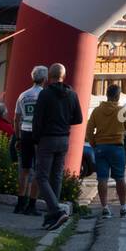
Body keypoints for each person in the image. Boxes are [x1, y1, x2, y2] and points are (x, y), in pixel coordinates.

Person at [31, 63, 83, 231]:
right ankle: (52, 216)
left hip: (47, 138)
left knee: (41, 177)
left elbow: (37, 120)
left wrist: (36, 139)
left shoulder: (45, 94)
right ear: (63, 76)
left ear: (49, 77)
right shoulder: (72, 94)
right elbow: (79, 119)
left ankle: (56, 211)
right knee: (56, 176)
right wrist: (64, 121)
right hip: (64, 139)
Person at [86, 85, 126, 218]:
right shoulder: (121, 111)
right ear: (117, 96)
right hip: (117, 147)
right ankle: (123, 207)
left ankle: (105, 207)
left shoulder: (96, 111)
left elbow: (89, 131)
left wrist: (95, 144)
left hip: (101, 147)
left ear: (107, 95)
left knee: (102, 179)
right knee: (120, 178)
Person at [13, 65, 47, 215]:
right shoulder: (45, 95)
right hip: (39, 135)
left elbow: (16, 118)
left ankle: (20, 203)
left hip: (25, 133)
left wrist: (18, 137)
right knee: (39, 171)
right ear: (45, 79)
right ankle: (32, 206)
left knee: (24, 170)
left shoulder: (23, 95)